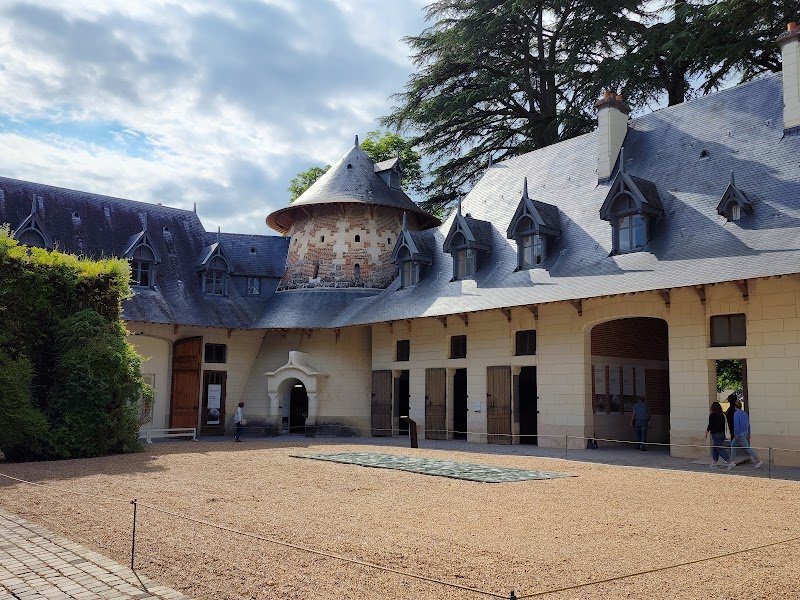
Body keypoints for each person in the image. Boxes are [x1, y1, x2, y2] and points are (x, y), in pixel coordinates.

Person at [727, 400, 762, 470]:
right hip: (744, 433)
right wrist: (749, 433)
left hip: (740, 434)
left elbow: (736, 425)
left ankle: (758, 461)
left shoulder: (736, 413)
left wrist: (736, 434)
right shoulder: (744, 413)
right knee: (735, 445)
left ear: (735, 406)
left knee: (745, 447)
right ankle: (732, 462)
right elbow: (748, 424)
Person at [704, 401, 731, 468]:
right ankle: (714, 462)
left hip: (716, 434)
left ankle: (729, 461)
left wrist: (706, 432)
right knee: (715, 448)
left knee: (719, 448)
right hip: (722, 434)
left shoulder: (712, 415)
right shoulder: (722, 415)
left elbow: (710, 425)